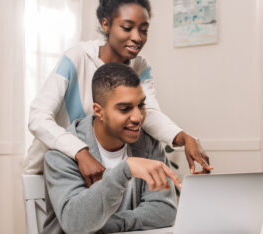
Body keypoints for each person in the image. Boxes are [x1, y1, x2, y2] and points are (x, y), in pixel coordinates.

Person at [24, 0, 213, 185]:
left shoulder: (140, 66)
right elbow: (38, 117)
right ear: (106, 24)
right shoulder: (77, 58)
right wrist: (79, 151)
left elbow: (150, 114)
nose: (138, 37)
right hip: (57, 169)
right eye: (127, 27)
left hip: (100, 170)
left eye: (143, 30)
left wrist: (184, 137)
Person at [42, 63, 180, 234]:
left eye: (141, 106)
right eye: (125, 109)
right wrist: (125, 170)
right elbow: (74, 223)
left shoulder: (148, 144)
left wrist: (110, 225)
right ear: (98, 111)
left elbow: (164, 211)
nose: (138, 117)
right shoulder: (63, 153)